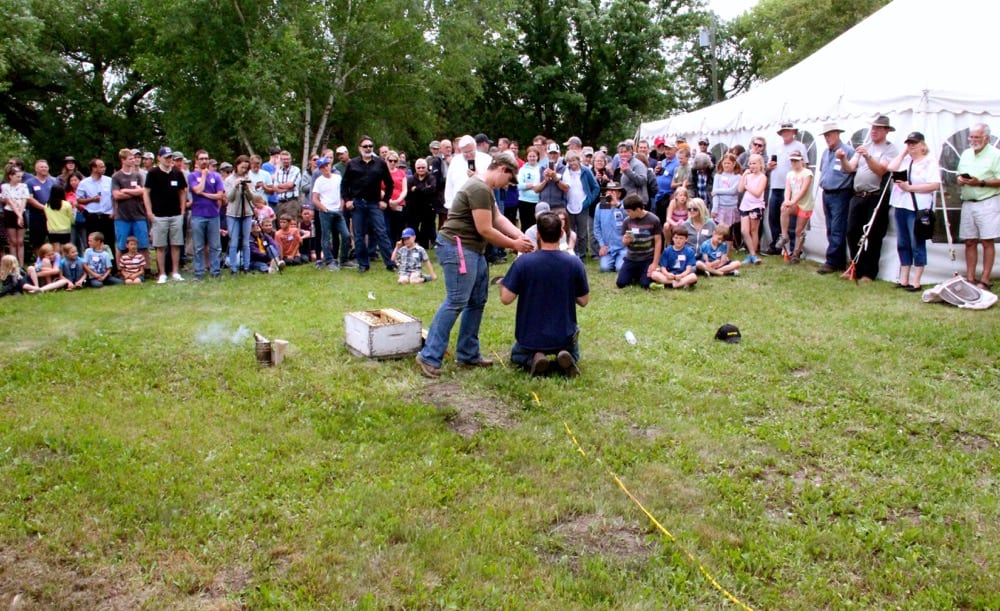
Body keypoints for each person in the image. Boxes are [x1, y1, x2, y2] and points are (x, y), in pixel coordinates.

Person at [415, 152, 533, 379]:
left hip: (473, 250)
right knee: (456, 301)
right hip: (458, 248)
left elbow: (498, 219)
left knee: (477, 300)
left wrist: (522, 238)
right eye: (509, 180)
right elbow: (486, 230)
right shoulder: (478, 188)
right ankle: (429, 356)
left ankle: (468, 354)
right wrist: (514, 244)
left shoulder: (486, 189)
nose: (507, 186)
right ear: (502, 170)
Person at [500, 211, 590, 377]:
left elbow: (506, 298)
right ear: (562, 233)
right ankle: (565, 355)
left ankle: (535, 357)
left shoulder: (523, 263)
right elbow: (584, 300)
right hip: (564, 335)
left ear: (538, 234)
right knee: (574, 352)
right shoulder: (574, 263)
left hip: (530, 337)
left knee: (517, 354)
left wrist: (506, 281)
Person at [841, 115, 899, 281]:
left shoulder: (890, 149)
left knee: (873, 235)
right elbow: (850, 168)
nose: (874, 131)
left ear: (886, 131)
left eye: (878, 128)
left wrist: (868, 157)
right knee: (852, 232)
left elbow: (882, 170)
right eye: (873, 127)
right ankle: (854, 268)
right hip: (858, 195)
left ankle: (869, 272)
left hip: (876, 197)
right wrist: (843, 158)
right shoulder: (864, 146)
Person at [887, 132, 941, 291]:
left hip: (918, 207)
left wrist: (910, 188)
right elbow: (891, 168)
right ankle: (903, 278)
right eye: (909, 143)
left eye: (914, 143)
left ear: (922, 144)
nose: (911, 146)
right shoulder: (906, 160)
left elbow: (934, 185)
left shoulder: (929, 161)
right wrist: (904, 152)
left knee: (916, 241)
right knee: (902, 242)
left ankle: (916, 281)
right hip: (901, 205)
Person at [341, 135, 397, 273]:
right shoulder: (352, 164)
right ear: (360, 148)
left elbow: (390, 184)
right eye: (365, 146)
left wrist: (385, 201)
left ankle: (390, 263)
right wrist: (347, 200)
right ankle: (363, 265)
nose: (368, 148)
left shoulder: (380, 163)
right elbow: (344, 184)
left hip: (374, 204)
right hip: (357, 204)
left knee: (382, 232)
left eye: (370, 146)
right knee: (359, 235)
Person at [955, 123, 1000, 290]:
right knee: (969, 241)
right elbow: (959, 174)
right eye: (971, 137)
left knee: (987, 241)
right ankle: (971, 277)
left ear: (986, 138)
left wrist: (980, 182)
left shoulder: (996, 155)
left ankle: (985, 279)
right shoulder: (966, 154)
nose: (973, 140)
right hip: (968, 202)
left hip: (987, 202)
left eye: (976, 137)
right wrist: (960, 180)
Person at [144, 147, 188, 283]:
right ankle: (162, 273)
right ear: (159, 158)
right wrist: (149, 211)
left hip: (175, 214)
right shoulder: (153, 173)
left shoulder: (177, 173)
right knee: (160, 245)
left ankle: (175, 272)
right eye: (166, 157)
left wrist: (182, 210)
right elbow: (146, 192)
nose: (169, 160)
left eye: (171, 157)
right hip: (159, 214)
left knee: (176, 244)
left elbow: (182, 191)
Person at [817, 122, 856, 273]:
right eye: (825, 136)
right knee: (831, 228)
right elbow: (823, 170)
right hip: (827, 192)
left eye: (830, 135)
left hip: (841, 193)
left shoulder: (847, 151)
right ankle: (837, 260)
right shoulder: (826, 153)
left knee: (837, 228)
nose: (827, 138)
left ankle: (832, 261)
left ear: (837, 134)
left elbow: (852, 170)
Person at [110, 148, 151, 273]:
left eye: (134, 158)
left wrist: (126, 191)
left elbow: (143, 191)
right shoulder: (116, 177)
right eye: (130, 159)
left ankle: (146, 270)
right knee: (121, 245)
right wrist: (135, 192)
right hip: (122, 216)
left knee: (143, 244)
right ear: (123, 160)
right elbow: (116, 195)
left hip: (139, 215)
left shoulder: (138, 175)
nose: (133, 161)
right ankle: (121, 270)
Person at [186, 150, 225, 279]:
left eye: (206, 158)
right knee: (198, 247)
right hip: (198, 215)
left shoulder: (216, 176)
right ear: (196, 160)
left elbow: (220, 195)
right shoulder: (192, 176)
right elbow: (197, 189)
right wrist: (203, 176)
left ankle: (215, 271)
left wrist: (204, 195)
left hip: (213, 215)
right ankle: (199, 272)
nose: (204, 161)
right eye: (201, 159)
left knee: (215, 246)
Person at [311, 156, 352, 270]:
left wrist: (341, 206)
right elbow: (315, 198)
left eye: (327, 165)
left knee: (346, 235)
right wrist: (323, 208)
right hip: (326, 212)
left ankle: (343, 259)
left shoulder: (338, 177)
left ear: (330, 165)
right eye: (322, 167)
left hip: (338, 210)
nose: (326, 168)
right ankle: (329, 261)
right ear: (320, 169)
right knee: (326, 237)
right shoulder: (319, 181)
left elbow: (343, 193)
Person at [616, 193, 663, 289]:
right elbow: (624, 242)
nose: (627, 214)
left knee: (645, 285)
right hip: (631, 258)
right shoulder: (627, 221)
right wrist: (625, 241)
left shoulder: (654, 220)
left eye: (629, 211)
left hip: (647, 258)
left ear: (637, 209)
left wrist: (654, 263)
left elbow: (658, 242)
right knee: (621, 283)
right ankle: (636, 274)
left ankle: (649, 272)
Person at [775, 150, 814, 264]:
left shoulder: (807, 173)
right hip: (794, 203)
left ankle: (796, 253)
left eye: (796, 160)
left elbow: (803, 190)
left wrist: (792, 201)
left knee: (798, 230)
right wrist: (787, 200)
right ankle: (784, 236)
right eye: (792, 160)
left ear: (801, 160)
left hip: (805, 204)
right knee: (784, 209)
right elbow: (788, 189)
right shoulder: (790, 174)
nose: (794, 163)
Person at [562, 150, 600, 258]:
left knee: (582, 233)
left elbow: (595, 187)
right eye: (569, 161)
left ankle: (582, 255)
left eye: (574, 160)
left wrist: (588, 201)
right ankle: (571, 253)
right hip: (569, 205)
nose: (572, 163)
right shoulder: (566, 172)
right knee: (570, 231)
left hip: (582, 205)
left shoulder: (586, 171)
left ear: (578, 160)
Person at [224, 155, 256, 274]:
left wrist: (247, 189)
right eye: (242, 167)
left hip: (246, 213)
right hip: (233, 214)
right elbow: (229, 198)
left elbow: (252, 198)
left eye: (246, 168)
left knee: (246, 241)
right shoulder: (228, 180)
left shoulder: (249, 179)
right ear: (236, 166)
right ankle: (233, 268)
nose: (244, 170)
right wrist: (235, 186)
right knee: (234, 241)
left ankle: (246, 266)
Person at [444, 135, 492, 210]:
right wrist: (449, 205)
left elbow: (491, 182)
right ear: (461, 150)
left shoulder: (487, 159)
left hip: (481, 204)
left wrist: (477, 176)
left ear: (475, 147)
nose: (469, 155)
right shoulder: (455, 161)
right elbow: (449, 184)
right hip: (459, 204)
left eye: (471, 151)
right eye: (465, 152)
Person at [24, 160, 59, 252]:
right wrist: (44, 208)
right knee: (37, 241)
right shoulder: (30, 182)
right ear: (36, 169)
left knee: (55, 240)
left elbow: (59, 196)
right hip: (37, 216)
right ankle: (39, 262)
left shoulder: (54, 181)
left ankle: (55, 263)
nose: (44, 169)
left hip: (53, 216)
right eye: (41, 167)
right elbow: (29, 198)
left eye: (45, 167)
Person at [739, 153, 767, 264]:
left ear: (760, 164)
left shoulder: (762, 177)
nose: (752, 166)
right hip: (745, 205)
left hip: (756, 205)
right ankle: (752, 254)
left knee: (753, 230)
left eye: (754, 163)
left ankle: (752, 254)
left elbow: (757, 193)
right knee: (744, 231)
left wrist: (747, 186)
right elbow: (740, 189)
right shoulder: (748, 176)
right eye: (750, 163)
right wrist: (744, 176)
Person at [594, 182, 627, 272]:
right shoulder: (601, 205)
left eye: (613, 191)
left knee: (620, 268)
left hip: (622, 247)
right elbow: (596, 228)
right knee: (604, 268)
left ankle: (620, 261)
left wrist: (617, 204)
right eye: (608, 191)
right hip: (608, 248)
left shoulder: (624, 205)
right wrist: (602, 245)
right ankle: (611, 261)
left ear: (619, 194)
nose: (610, 193)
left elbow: (630, 219)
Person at [405, 157, 437, 249]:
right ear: (415, 168)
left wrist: (417, 189)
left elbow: (432, 189)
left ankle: (424, 246)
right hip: (413, 207)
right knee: (413, 226)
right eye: (419, 168)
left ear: (426, 168)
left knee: (426, 227)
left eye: (423, 167)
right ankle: (415, 243)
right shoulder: (410, 179)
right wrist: (424, 188)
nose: (421, 169)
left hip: (428, 207)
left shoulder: (431, 177)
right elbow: (408, 192)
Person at [712, 153, 742, 248]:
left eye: (729, 163)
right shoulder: (718, 176)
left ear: (734, 164)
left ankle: (727, 252)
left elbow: (733, 191)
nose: (726, 165)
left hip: (731, 207)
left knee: (729, 232)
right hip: (720, 207)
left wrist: (717, 191)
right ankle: (716, 249)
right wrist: (714, 208)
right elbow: (715, 195)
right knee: (719, 230)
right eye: (725, 163)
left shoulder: (738, 177)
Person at [2, 164, 30, 265]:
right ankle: (14, 264)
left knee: (20, 241)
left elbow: (24, 200)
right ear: (11, 176)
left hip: (21, 213)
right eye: (17, 176)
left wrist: (21, 215)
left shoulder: (23, 186)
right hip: (10, 213)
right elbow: (9, 201)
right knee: (13, 241)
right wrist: (18, 215)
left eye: (21, 177)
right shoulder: (5, 187)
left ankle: (21, 264)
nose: (20, 179)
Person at [516, 146, 544, 231]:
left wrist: (528, 185)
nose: (532, 158)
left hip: (537, 201)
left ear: (537, 157)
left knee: (538, 226)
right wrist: (533, 185)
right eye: (530, 156)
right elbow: (519, 185)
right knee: (525, 226)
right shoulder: (522, 170)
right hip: (524, 201)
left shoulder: (541, 169)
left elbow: (542, 184)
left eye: (534, 156)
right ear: (527, 157)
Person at [43, 184, 74, 254]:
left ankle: (56, 263)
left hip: (52, 230)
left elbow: (47, 217)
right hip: (65, 230)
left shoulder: (47, 206)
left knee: (55, 249)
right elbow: (71, 217)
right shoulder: (67, 205)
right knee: (64, 249)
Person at [617, 141, 649, 208]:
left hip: (637, 203)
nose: (623, 154)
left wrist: (628, 171)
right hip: (627, 201)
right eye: (621, 152)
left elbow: (642, 181)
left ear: (631, 152)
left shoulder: (638, 164)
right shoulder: (623, 164)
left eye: (625, 152)